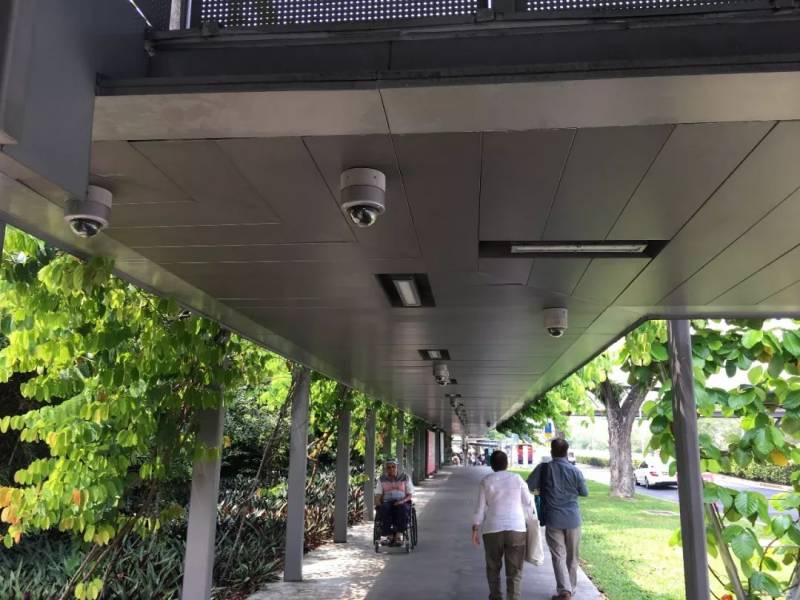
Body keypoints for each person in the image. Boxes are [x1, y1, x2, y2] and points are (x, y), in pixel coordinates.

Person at [527, 439, 589, 600]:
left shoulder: (544, 468)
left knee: (558, 556)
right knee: (572, 557)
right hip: (573, 520)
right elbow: (584, 492)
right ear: (566, 452)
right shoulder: (575, 471)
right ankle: (570, 590)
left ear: (552, 451)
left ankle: (564, 591)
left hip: (553, 518)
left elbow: (529, 486)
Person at [472, 450, 533, 600]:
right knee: (515, 571)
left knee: (493, 568)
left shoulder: (486, 481)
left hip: (492, 529)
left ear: (491, 465)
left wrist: (475, 529)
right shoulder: (517, 479)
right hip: (516, 529)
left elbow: (480, 509)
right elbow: (529, 503)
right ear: (507, 464)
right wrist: (529, 522)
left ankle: (496, 597)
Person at [374, 458, 413, 546]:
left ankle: (398, 535)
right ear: (386, 469)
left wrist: (402, 501)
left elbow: (410, 494)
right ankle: (389, 535)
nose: (391, 469)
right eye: (389, 467)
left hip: (402, 501)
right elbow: (378, 494)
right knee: (383, 509)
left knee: (402, 509)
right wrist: (378, 503)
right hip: (387, 501)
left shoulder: (405, 477)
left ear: (396, 467)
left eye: (393, 467)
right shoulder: (382, 479)